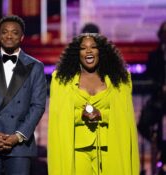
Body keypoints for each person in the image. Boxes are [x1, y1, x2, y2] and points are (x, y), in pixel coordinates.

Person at [48, 33, 140, 175]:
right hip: (76, 151)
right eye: (83, 48)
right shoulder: (61, 80)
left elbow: (125, 117)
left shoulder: (120, 80)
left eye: (93, 47)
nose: (89, 51)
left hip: (110, 149)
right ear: (77, 53)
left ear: (101, 52)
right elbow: (58, 118)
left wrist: (101, 114)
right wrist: (81, 115)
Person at [0, 15, 47, 175]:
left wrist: (17, 137)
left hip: (19, 144)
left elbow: (38, 105)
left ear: (22, 37)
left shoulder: (35, 66)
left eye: (14, 32)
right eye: (5, 32)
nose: (9, 36)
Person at [138, 21, 166, 174]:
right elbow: (149, 78)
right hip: (158, 100)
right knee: (143, 124)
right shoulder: (154, 56)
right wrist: (160, 88)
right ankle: (163, 148)